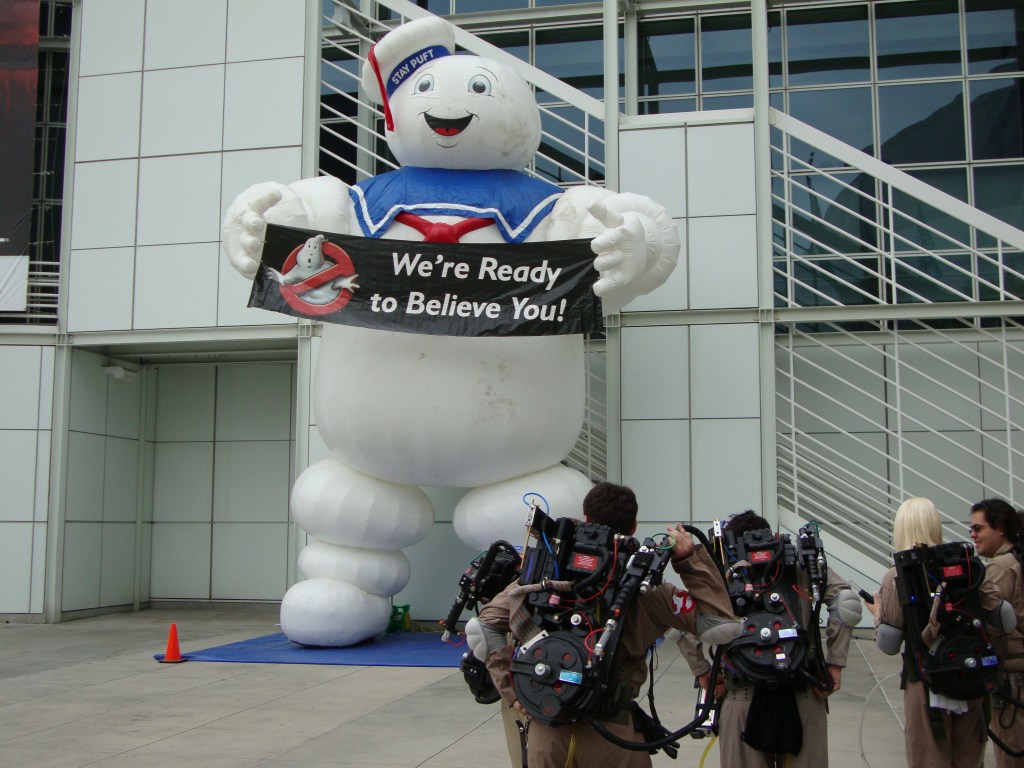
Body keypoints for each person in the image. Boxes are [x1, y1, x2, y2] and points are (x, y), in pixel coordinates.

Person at [467, 481, 740, 768]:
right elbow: (721, 625)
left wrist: (514, 694)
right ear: (634, 526)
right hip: (613, 736)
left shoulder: (544, 575)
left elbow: (481, 629)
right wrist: (689, 560)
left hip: (547, 734)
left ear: (586, 518)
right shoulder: (647, 588)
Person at [676, 510, 861, 767]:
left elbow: (681, 619)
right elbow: (847, 602)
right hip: (804, 692)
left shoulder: (720, 573)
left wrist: (704, 672)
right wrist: (834, 663)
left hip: (742, 696)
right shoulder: (798, 563)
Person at [866, 496, 1003, 768]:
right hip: (969, 677)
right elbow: (1004, 619)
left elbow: (889, 644)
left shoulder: (897, 575)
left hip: (925, 683)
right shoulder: (967, 568)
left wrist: (878, 615)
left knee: (928, 759)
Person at [969, 498, 1024, 767]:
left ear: (1000, 528)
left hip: (1013, 684)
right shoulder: (1017, 560)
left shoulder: (1000, 568)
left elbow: (992, 629)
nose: (973, 535)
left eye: (979, 528)